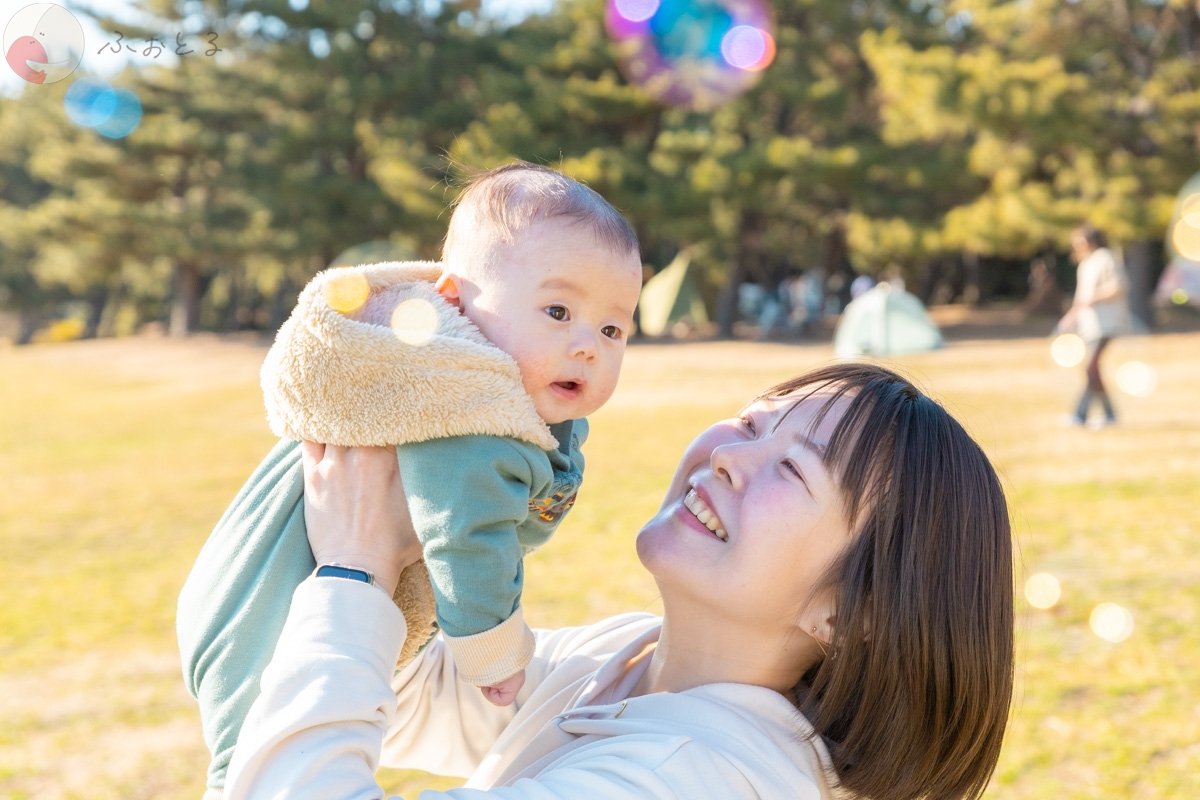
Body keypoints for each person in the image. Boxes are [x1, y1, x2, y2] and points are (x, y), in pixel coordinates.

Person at [218, 362, 1015, 800]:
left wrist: (354, 575)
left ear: (853, 611)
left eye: (794, 469)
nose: (729, 456)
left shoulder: (693, 779)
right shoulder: (630, 656)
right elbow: (410, 704)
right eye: (750, 422)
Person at [177, 162, 644, 796]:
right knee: (246, 753)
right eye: (558, 310)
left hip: (254, 571)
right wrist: (493, 651)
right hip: (265, 592)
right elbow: (466, 537)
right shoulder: (466, 407)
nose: (588, 344)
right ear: (453, 298)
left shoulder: (488, 389)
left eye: (612, 328)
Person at [1056, 223, 1130, 428]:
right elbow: (1081, 298)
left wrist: (1093, 298)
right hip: (1089, 325)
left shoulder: (1106, 258)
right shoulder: (1085, 264)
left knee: (1091, 368)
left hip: (1106, 324)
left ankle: (1079, 415)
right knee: (1092, 370)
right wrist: (1071, 317)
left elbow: (1118, 286)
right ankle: (1110, 415)